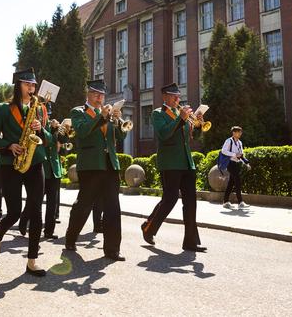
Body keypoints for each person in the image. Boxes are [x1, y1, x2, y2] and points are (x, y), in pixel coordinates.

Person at [0, 68, 52, 277]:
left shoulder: (40, 109)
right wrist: (9, 145)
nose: (31, 89)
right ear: (18, 86)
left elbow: (50, 138)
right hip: (11, 165)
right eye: (27, 84)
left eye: (33, 85)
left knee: (36, 211)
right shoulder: (5, 109)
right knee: (14, 212)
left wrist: (41, 129)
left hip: (35, 163)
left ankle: (32, 260)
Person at [64, 79, 127, 262]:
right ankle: (71, 236)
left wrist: (116, 118)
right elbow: (82, 132)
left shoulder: (106, 114)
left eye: (101, 94)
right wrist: (103, 118)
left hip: (109, 164)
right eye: (95, 94)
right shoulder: (78, 112)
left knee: (113, 208)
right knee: (84, 205)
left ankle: (112, 249)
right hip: (91, 165)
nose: (99, 97)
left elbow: (121, 134)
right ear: (88, 95)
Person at [141, 83, 206, 252]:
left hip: (186, 162)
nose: (178, 99)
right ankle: (149, 228)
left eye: (178, 96)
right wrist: (181, 118)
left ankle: (190, 242)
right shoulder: (158, 114)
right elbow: (164, 134)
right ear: (165, 97)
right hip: (169, 163)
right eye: (174, 96)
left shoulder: (180, 115)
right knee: (170, 199)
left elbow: (191, 137)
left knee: (191, 202)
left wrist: (198, 124)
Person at [19, 118, 66, 240]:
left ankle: (49, 231)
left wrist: (62, 130)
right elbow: (47, 141)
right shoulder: (39, 127)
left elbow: (64, 141)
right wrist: (50, 129)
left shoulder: (55, 127)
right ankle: (23, 221)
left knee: (52, 203)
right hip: (42, 169)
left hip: (55, 170)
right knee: (33, 200)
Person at [222, 126, 249, 210]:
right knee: (238, 181)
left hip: (236, 164)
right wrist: (234, 154)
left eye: (241, 132)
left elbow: (241, 154)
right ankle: (240, 202)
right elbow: (223, 151)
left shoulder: (240, 142)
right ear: (234, 133)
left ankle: (225, 202)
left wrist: (246, 163)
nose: (240, 133)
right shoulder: (229, 141)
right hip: (229, 163)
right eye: (239, 132)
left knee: (231, 183)